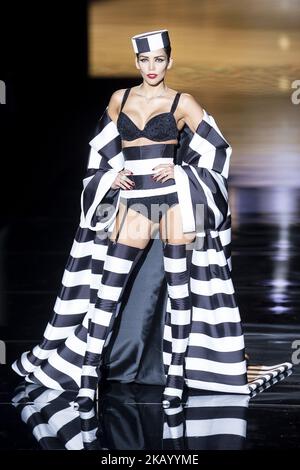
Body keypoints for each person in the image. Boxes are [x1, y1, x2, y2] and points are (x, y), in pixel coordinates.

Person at [11, 29, 292, 410]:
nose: (152, 67)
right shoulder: (119, 100)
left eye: (159, 60)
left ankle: (174, 379)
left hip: (175, 202)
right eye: (145, 60)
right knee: (107, 290)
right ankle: (88, 375)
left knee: (180, 289)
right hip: (133, 203)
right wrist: (111, 176)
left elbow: (218, 151)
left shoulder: (183, 102)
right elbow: (101, 152)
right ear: (137, 62)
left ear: (169, 62)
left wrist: (179, 172)